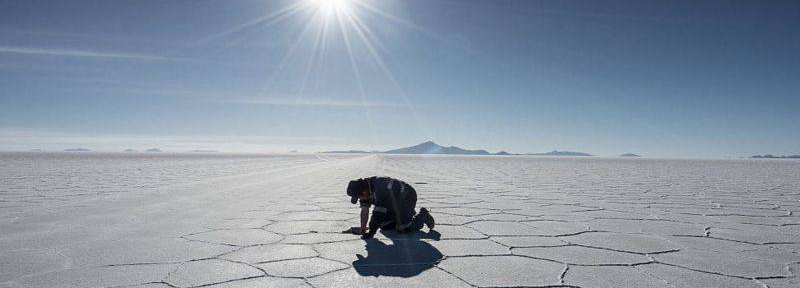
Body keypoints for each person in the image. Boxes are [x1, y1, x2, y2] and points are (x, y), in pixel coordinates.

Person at [346, 176, 435, 239]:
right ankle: (404, 217)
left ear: (364, 192)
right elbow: (365, 210)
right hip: (391, 203)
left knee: (402, 228)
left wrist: (371, 232)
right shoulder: (364, 189)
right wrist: (363, 228)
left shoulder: (380, 187)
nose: (360, 199)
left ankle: (422, 216)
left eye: (359, 197)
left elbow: (378, 214)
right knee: (385, 226)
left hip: (407, 198)